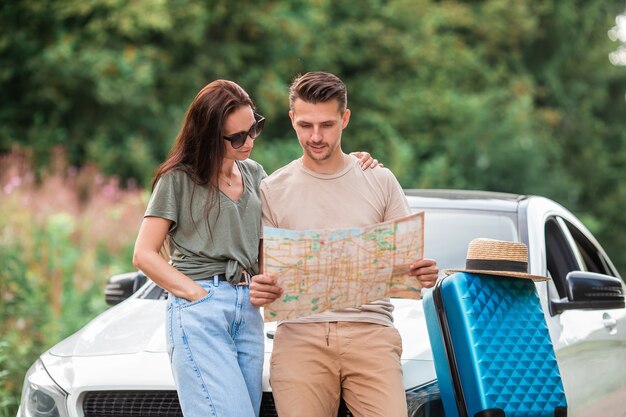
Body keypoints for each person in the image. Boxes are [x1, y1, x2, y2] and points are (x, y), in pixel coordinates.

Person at [132, 79, 380, 417]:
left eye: (254, 129)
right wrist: (196, 296)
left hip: (248, 311)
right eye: (237, 137)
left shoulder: (253, 174)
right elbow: (144, 254)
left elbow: (289, 215)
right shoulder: (178, 179)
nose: (248, 142)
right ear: (207, 135)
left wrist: (355, 162)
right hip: (202, 310)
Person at [249, 71, 439, 417]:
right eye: (305, 125)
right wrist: (259, 288)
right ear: (292, 119)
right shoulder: (272, 190)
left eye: (327, 125)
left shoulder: (379, 180)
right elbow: (265, 275)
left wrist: (422, 273)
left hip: (371, 331)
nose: (316, 136)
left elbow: (408, 263)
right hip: (300, 336)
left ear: (345, 119)